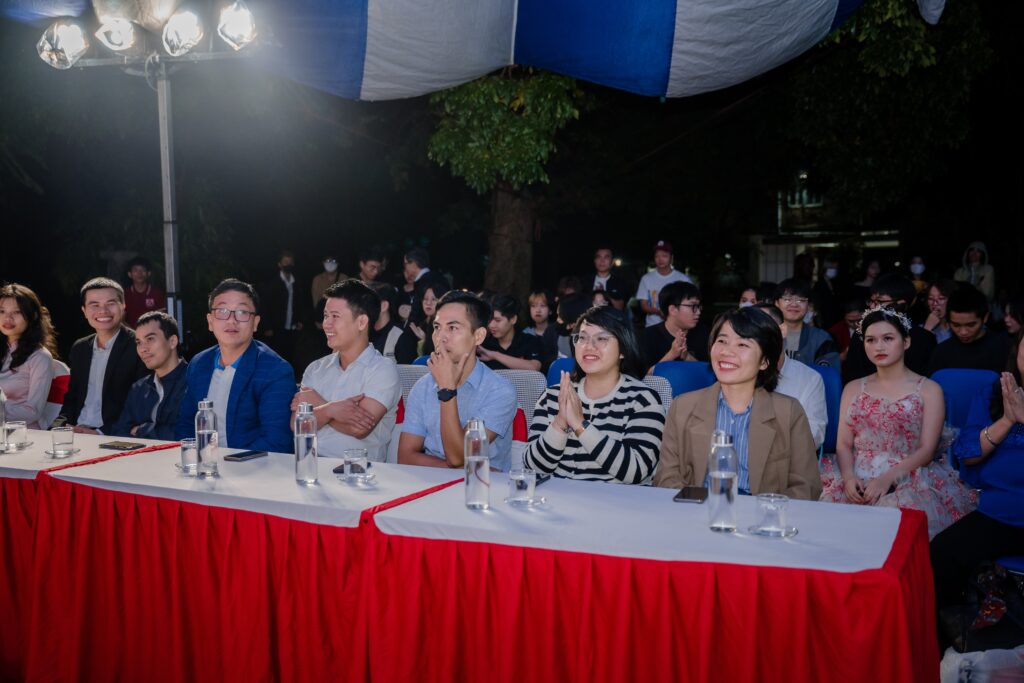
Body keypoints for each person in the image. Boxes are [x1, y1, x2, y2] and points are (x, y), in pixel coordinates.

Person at [820, 308, 975, 538]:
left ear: (906, 342)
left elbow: (927, 450)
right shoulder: (853, 388)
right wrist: (849, 478)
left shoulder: (929, 390)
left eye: (888, 338)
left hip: (909, 476)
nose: (879, 347)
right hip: (856, 473)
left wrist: (887, 479)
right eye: (871, 340)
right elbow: (843, 443)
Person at [654, 307, 820, 499]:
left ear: (764, 361)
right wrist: (705, 508)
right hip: (698, 509)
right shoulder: (682, 407)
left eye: (742, 344)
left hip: (763, 513)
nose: (726, 351)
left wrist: (762, 512)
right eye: (722, 341)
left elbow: (806, 486)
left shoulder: (788, 412)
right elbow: (666, 478)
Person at [932, 331, 1024, 621]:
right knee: (941, 554)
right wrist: (1008, 420)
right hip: (1000, 513)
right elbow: (967, 453)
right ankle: (948, 636)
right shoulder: (993, 394)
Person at [524, 306, 665, 483]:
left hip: (615, 499)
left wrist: (580, 425)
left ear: (623, 349)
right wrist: (560, 423)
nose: (589, 346)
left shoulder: (643, 400)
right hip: (558, 497)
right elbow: (533, 468)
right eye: (582, 338)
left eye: (601, 338)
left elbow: (635, 471)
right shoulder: (553, 396)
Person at [398, 290, 517, 471]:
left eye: (452, 328)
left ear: (478, 336)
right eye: (437, 327)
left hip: (482, 487)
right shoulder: (423, 386)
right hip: (431, 482)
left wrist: (447, 390)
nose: (441, 337)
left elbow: (458, 457)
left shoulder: (499, 391)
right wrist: (462, 469)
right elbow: (405, 457)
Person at [175, 279, 295, 452]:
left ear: (255, 323)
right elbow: (185, 425)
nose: (231, 320)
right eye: (222, 311)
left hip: (252, 465)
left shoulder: (274, 370)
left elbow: (276, 442)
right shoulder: (199, 364)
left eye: (242, 312)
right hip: (203, 463)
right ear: (210, 321)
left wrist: (226, 463)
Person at [292, 280, 401, 461]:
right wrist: (332, 410)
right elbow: (296, 425)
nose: (326, 324)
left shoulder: (383, 370)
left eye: (335, 316)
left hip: (359, 470)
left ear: (361, 322)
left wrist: (319, 405)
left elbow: (359, 429)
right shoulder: (316, 368)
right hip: (310, 465)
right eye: (326, 316)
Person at [59, 278, 148, 434]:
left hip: (113, 435)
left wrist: (100, 433)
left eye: (110, 303)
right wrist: (57, 427)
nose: (103, 311)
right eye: (94, 305)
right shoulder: (80, 348)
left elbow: (140, 404)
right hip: (76, 431)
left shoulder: (138, 346)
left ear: (123, 306)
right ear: (84, 311)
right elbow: (71, 399)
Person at [755, 304, 827, 450]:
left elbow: (814, 435)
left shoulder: (809, 379)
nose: (756, 335)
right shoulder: (737, 376)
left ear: (782, 330)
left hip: (789, 458)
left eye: (762, 327)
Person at [842, 274, 938, 383]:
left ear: (901, 304)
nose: (872, 306)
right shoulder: (861, 335)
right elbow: (853, 377)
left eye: (879, 301)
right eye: (871, 301)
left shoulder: (924, 338)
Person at [110, 311, 187, 440]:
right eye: (139, 342)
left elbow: (189, 433)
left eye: (150, 339)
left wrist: (142, 430)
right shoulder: (139, 388)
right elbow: (119, 433)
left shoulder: (193, 381)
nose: (142, 349)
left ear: (172, 341)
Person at [0, 284, 57, 429]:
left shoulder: (40, 357)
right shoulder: (4, 351)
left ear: (33, 316)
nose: (8, 318)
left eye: (17, 312)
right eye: (2, 311)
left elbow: (33, 411)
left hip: (24, 434)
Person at [928, 285, 1009, 375]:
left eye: (970, 325)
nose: (963, 332)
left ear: (985, 318)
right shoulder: (941, 352)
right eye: (956, 325)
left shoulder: (1004, 347)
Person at [641, 281, 708, 372]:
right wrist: (672, 355)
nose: (698, 312)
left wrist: (687, 357)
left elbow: (708, 374)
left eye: (698, 306)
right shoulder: (648, 336)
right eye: (692, 306)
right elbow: (645, 377)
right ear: (672, 309)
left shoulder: (703, 333)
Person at [773, 278, 840, 369]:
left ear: (808, 305)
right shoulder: (766, 334)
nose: (794, 304)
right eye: (787, 299)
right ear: (777, 303)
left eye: (800, 300)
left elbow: (829, 374)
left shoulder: (821, 339)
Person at [260, 250, 307, 373]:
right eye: (285, 262)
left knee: (291, 355)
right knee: (275, 356)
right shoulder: (272, 284)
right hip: (276, 328)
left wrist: (301, 320)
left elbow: (300, 302)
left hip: (292, 327)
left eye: (290, 262)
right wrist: (267, 327)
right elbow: (264, 306)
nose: (288, 265)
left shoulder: (297, 282)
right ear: (279, 264)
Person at [635, 240, 692, 327]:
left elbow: (691, 303)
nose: (660, 259)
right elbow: (644, 305)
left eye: (664, 256)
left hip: (678, 327)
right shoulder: (646, 278)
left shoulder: (683, 279)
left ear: (671, 258)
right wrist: (658, 312)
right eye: (657, 256)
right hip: (653, 326)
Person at [479, 295, 543, 371]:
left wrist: (494, 355)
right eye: (489, 320)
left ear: (513, 319)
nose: (491, 325)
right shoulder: (483, 345)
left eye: (498, 320)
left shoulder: (529, 341)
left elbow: (535, 367)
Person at [369, 283, 417, 364]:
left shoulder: (401, 336)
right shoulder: (363, 333)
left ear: (384, 306)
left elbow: (408, 370)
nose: (363, 309)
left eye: (369, 303)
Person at [403, 247, 449, 325]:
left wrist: (409, 329)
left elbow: (417, 313)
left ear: (414, 263)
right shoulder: (436, 277)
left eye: (405, 263)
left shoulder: (426, 281)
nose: (404, 266)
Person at [404, 282, 449, 358]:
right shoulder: (420, 324)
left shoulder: (446, 326)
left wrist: (425, 340)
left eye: (434, 299)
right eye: (425, 299)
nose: (428, 303)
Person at [123, 256, 167, 328]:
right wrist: (131, 332)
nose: (139, 273)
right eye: (135, 270)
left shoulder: (156, 293)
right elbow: (120, 319)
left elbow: (162, 316)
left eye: (143, 270)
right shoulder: (124, 294)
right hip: (130, 332)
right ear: (129, 274)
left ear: (148, 273)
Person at [584, 246, 631, 312]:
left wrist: (603, 294)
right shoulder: (584, 281)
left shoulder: (620, 282)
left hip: (611, 317)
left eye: (606, 257)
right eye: (599, 257)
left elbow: (620, 307)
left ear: (612, 262)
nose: (602, 261)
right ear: (594, 261)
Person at [523, 290, 559, 370]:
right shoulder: (525, 333)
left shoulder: (556, 332)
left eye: (542, 306)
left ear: (550, 310)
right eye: (533, 306)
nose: (538, 310)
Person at [921, 279, 957, 344]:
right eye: (931, 298)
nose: (935, 303)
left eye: (941, 298)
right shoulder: (921, 328)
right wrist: (927, 328)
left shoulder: (959, 327)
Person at [828, 299, 864, 364]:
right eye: (851, 321)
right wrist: (843, 356)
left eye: (859, 320)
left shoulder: (872, 327)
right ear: (844, 318)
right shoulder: (835, 331)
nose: (856, 324)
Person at [812, 255, 842, 329]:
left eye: (835, 268)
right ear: (825, 268)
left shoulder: (835, 283)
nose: (834, 270)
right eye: (831, 268)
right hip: (824, 321)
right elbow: (818, 305)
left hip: (834, 320)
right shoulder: (819, 285)